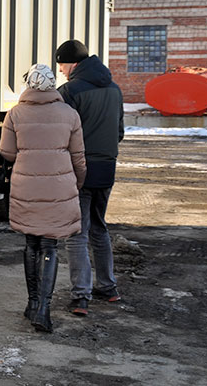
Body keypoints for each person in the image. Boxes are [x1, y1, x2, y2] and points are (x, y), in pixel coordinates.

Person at [0, 63, 86, 333]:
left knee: (31, 245)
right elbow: (78, 158)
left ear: (29, 84)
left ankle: (32, 302)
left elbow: (7, 152)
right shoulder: (69, 114)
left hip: (26, 185)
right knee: (50, 247)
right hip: (59, 188)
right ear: (52, 84)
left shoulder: (15, 114)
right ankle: (43, 310)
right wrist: (76, 182)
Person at [55, 39, 125, 317]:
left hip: (79, 170)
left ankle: (81, 296)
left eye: (61, 63)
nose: (60, 69)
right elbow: (119, 131)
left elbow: (61, 134)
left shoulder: (70, 91)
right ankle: (108, 287)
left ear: (73, 63)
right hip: (107, 169)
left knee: (76, 233)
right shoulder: (114, 88)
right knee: (99, 227)